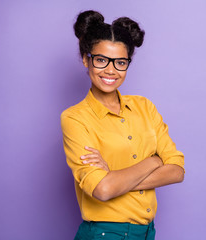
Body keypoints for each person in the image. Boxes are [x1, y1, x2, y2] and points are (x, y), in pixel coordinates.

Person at [61, 10, 185, 240]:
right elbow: (103, 190)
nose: (111, 70)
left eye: (120, 62)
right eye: (101, 60)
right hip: (105, 234)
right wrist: (155, 160)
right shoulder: (75, 118)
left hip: (147, 232)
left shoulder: (144, 107)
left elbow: (177, 170)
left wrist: (115, 178)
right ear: (86, 59)